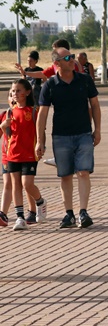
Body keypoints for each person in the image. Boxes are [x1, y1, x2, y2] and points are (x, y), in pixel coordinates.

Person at [36, 48, 101, 229]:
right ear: (57, 63)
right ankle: (69, 214)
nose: (72, 60)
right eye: (67, 58)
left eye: (72, 56)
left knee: (83, 172)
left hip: (83, 134)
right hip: (61, 136)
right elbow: (42, 114)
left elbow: (94, 105)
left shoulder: (85, 80)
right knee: (65, 175)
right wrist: (39, 141)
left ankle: (83, 212)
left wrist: (98, 130)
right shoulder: (50, 85)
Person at [4, 79, 45, 230]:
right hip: (13, 154)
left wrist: (41, 145)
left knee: (27, 184)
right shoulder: (9, 112)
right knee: (16, 185)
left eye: (18, 90)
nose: (15, 94)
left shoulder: (34, 111)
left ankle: (40, 201)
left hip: (29, 153)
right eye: (13, 91)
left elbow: (40, 131)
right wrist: (3, 126)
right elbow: (6, 134)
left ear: (27, 92)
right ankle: (20, 217)